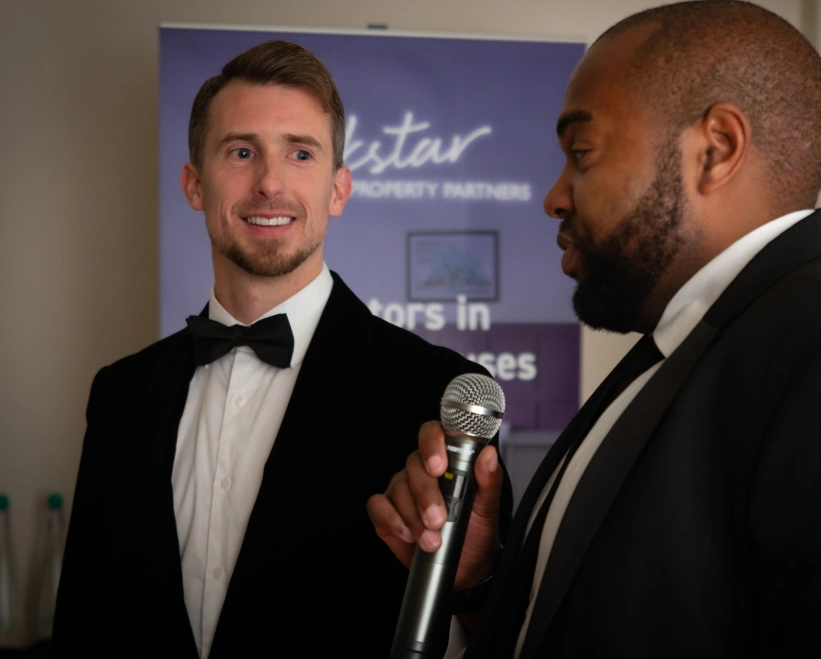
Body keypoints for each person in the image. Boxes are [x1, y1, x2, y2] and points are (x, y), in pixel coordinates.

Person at [368, 0, 821, 658]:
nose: (555, 197)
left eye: (582, 153)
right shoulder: (685, 350)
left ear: (716, 149)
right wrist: (482, 584)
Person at [52, 40, 508, 659]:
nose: (270, 182)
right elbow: (84, 622)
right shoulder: (120, 394)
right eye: (241, 152)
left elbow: (501, 634)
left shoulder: (438, 394)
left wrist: (473, 583)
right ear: (194, 184)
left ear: (338, 189)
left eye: (300, 153)